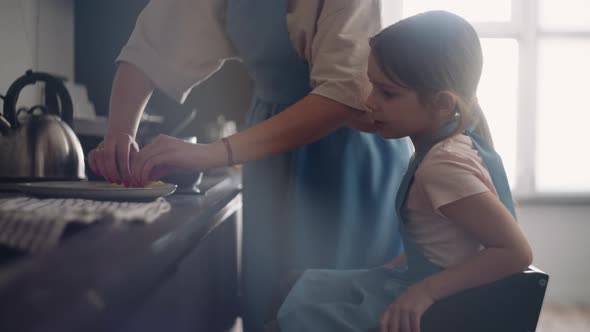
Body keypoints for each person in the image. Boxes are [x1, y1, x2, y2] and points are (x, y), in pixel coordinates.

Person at [87, 1, 412, 331]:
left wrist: (210, 153)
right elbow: (152, 45)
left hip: (350, 156)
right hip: (268, 153)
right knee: (268, 303)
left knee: (334, 310)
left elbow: (345, 92)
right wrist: (120, 132)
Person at [274, 10, 534, 332]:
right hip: (414, 278)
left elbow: (515, 252)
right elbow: (443, 246)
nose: (370, 101)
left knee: (299, 316)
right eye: (372, 86)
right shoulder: (452, 143)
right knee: (301, 285)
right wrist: (393, 268)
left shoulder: (442, 166)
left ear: (441, 103)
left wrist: (423, 292)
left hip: (444, 302)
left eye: (387, 93)